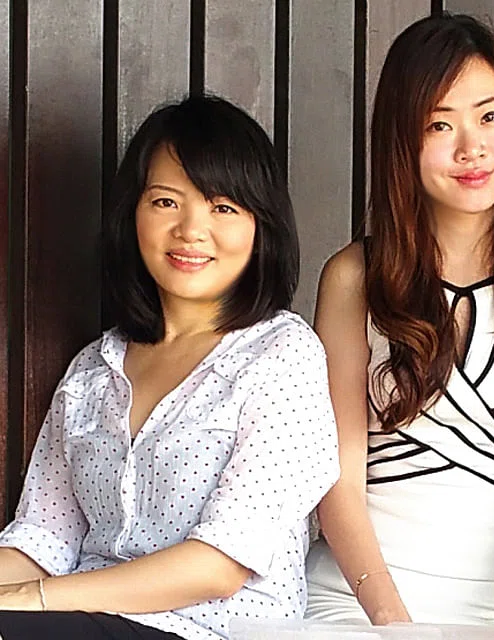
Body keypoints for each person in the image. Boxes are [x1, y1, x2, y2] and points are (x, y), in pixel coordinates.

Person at [304, 12, 494, 639]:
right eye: (439, 124)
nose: (472, 148)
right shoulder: (354, 277)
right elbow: (337, 481)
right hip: (355, 606)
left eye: (490, 117)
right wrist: (396, 627)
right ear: (402, 141)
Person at [0, 96, 340, 640]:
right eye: (165, 202)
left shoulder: (282, 355)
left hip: (206, 630)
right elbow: (42, 539)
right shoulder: (94, 369)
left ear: (262, 226)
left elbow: (220, 563)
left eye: (223, 207)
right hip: (77, 619)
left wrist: (33, 600)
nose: (190, 230)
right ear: (132, 214)